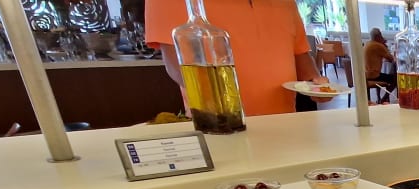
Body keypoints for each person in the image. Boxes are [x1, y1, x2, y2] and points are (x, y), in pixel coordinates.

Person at [146, 0, 327, 117]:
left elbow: (300, 55)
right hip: (220, 126)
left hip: (285, 124)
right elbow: (177, 63)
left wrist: (316, 84)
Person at [364, 28, 397, 99]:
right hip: (373, 75)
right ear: (378, 36)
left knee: (389, 76)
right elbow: (391, 58)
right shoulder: (378, 45)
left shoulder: (368, 44)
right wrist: (383, 45)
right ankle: (384, 99)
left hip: (365, 74)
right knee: (396, 80)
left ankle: (379, 98)